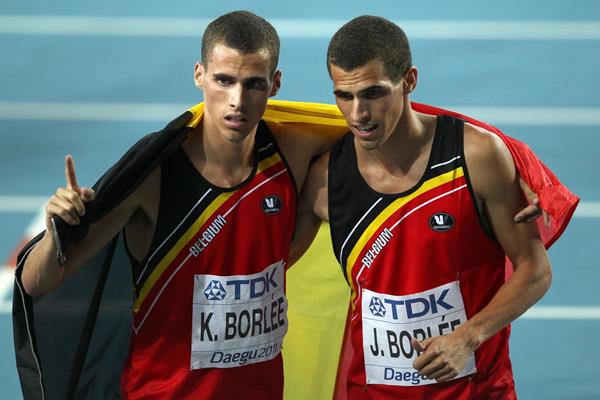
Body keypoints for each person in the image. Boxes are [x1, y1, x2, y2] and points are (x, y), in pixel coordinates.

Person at [12, 11, 560, 400]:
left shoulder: (293, 152)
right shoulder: (157, 174)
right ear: (199, 77)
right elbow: (37, 283)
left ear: (274, 84)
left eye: (253, 84)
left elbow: (412, 128)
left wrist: (520, 167)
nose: (236, 100)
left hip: (274, 391)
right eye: (223, 81)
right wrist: (59, 234)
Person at [291, 16, 577, 399]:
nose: (358, 114)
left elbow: (535, 269)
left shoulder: (474, 157)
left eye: (373, 93)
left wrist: (467, 338)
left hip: (475, 391)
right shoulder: (325, 181)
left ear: (409, 80)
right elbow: (267, 267)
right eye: (344, 95)